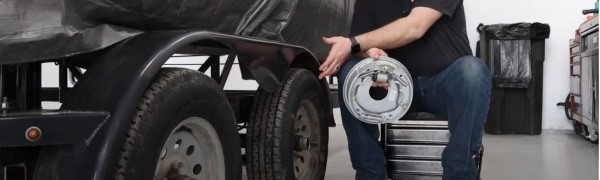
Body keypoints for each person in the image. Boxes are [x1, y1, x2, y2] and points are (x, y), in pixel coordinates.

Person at [318, 0, 491, 179]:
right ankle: (370, 172)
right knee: (350, 74)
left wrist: (355, 43)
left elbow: (415, 27)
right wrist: (370, 54)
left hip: (445, 87)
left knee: (473, 70)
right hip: (395, 87)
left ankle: (459, 172)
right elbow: (359, 45)